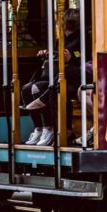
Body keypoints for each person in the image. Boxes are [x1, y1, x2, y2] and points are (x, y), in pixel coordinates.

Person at [22, 8, 82, 146]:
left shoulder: (81, 39)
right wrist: (48, 54)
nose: (56, 26)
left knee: (39, 88)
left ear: (64, 24)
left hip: (73, 81)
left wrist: (72, 58)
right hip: (56, 78)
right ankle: (39, 128)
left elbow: (84, 60)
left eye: (57, 23)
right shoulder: (62, 40)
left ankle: (49, 128)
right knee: (26, 89)